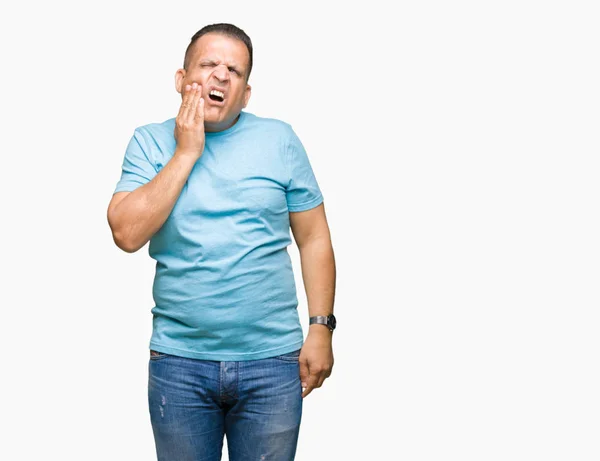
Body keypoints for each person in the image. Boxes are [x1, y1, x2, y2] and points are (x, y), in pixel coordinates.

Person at [107, 23, 336, 461]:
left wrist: (321, 328)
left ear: (246, 93)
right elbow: (126, 234)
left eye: (234, 69)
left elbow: (314, 238)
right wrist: (186, 151)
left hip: (272, 363)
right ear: (181, 79)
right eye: (208, 64)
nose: (221, 75)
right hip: (179, 364)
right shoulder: (149, 142)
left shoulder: (280, 140)